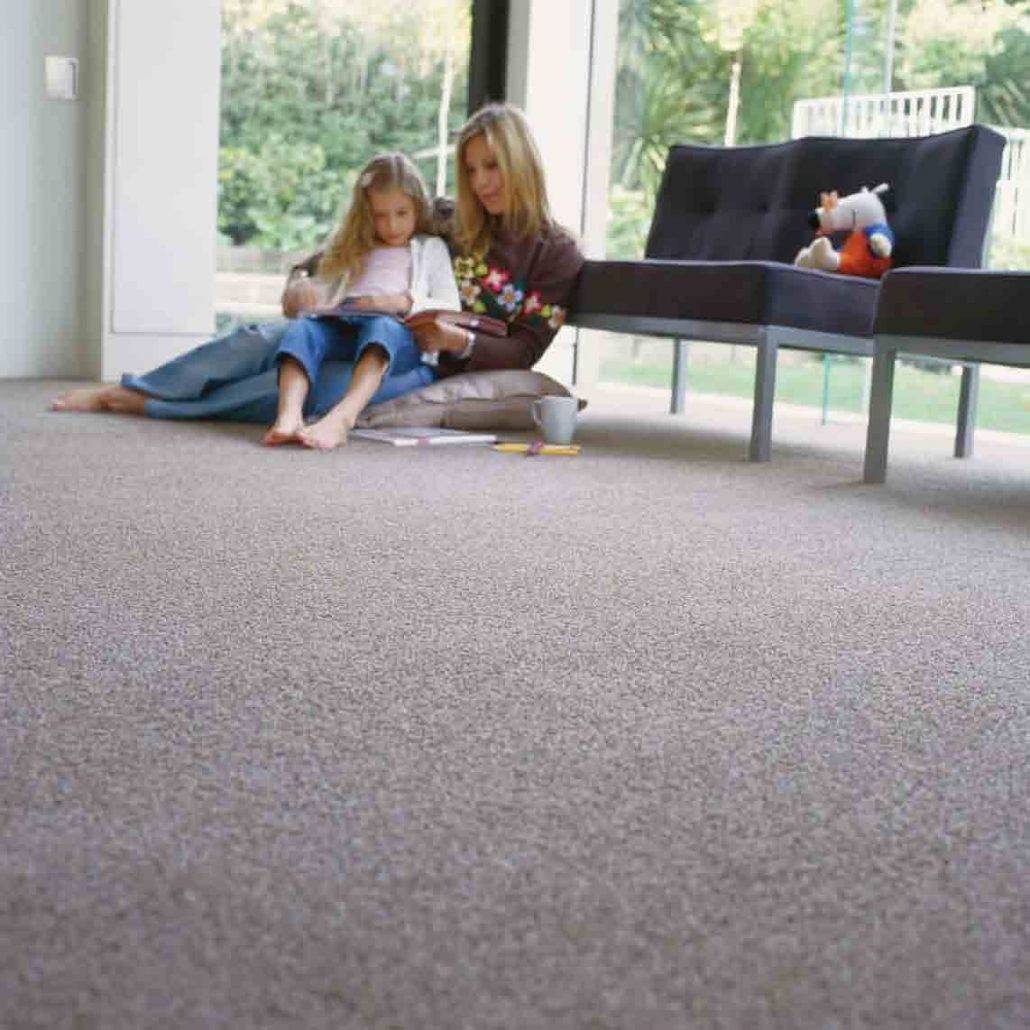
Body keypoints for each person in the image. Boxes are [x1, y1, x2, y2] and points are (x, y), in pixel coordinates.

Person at [51, 102, 585, 446]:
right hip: (352, 323)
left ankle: (155, 407)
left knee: (314, 389)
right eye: (471, 169)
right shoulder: (449, 219)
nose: (482, 181)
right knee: (258, 340)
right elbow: (346, 247)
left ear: (521, 162)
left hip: (423, 360)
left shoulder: (556, 254)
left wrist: (458, 341)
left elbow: (525, 349)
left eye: (492, 166)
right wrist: (299, 281)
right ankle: (131, 387)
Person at [263, 152, 460, 449]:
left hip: (397, 333)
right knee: (303, 330)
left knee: (382, 327)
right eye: (380, 216)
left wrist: (401, 302)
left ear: (418, 208)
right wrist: (306, 292)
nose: (392, 225)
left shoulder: (429, 248)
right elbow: (321, 292)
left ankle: (342, 419)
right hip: (344, 324)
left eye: (402, 213)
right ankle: (289, 415)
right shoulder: (352, 248)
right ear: (366, 214)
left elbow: (450, 306)